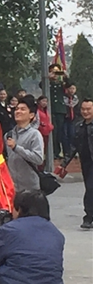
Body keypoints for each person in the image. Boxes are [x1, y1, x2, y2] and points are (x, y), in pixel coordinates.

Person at [60, 97, 92, 230]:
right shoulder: (79, 126)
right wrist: (64, 164)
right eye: (83, 109)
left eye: (88, 109)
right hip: (86, 163)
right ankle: (89, 215)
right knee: (90, 188)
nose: (85, 111)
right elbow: (73, 147)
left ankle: (88, 217)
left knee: (91, 189)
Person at [4, 96, 45, 193]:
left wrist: (16, 148)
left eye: (23, 109)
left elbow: (38, 159)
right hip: (12, 188)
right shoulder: (8, 135)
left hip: (31, 189)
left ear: (31, 115)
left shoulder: (34, 134)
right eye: (17, 109)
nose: (18, 112)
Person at [48, 64, 67, 159]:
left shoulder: (61, 83)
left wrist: (65, 77)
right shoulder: (48, 83)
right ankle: (55, 152)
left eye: (56, 72)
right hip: (51, 109)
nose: (55, 74)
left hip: (60, 110)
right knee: (54, 132)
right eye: (53, 72)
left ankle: (64, 151)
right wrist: (48, 78)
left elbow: (69, 86)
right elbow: (41, 85)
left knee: (61, 132)